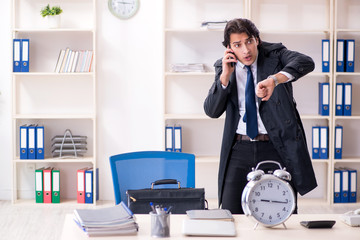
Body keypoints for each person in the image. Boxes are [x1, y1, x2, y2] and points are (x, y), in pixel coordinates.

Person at [203, 18, 317, 214]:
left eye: (249, 41)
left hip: (275, 146)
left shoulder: (276, 55)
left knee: (280, 213)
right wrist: (224, 78)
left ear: (257, 40)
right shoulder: (223, 67)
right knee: (230, 213)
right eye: (238, 45)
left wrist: (274, 80)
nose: (246, 50)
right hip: (239, 148)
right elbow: (212, 111)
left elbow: (307, 62)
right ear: (229, 48)